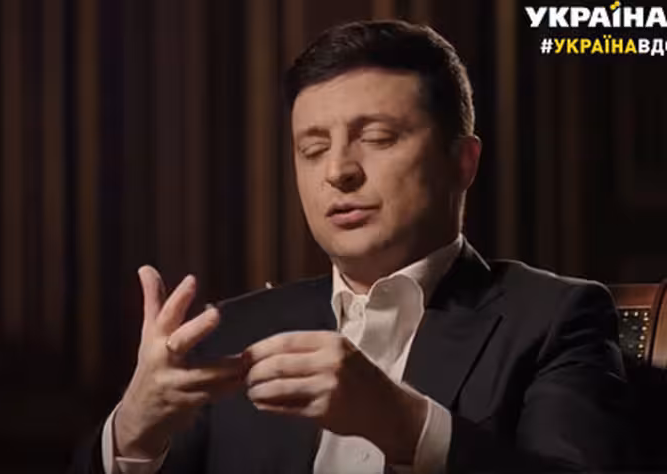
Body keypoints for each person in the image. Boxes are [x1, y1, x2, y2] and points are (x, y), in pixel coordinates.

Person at [71, 20, 629, 474]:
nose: (337, 171)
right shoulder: (233, 334)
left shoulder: (555, 318)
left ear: (463, 162)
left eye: (378, 138)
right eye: (313, 149)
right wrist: (132, 433)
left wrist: (407, 425)